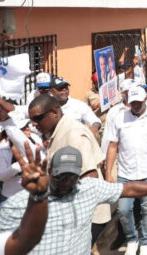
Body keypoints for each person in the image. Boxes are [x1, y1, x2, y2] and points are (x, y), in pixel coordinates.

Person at [0, 146, 147, 255]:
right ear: (50, 172)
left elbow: (129, 188)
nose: (66, 182)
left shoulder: (88, 189)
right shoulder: (18, 205)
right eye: (61, 176)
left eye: (72, 177)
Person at [26, 94, 112, 245]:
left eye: (37, 118)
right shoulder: (59, 131)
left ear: (54, 112)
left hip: (85, 216)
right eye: (31, 119)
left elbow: (90, 178)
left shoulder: (73, 134)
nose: (34, 124)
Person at [104, 86, 147, 255]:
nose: (135, 105)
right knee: (123, 210)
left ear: (145, 100)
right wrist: (108, 172)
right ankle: (132, 239)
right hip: (126, 173)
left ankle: (146, 242)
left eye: (138, 102)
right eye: (132, 102)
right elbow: (113, 146)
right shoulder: (119, 118)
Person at [0, 142, 49, 254]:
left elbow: (25, 242)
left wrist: (38, 195)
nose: (27, 130)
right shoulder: (3, 150)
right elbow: (2, 175)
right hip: (7, 199)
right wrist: (17, 166)